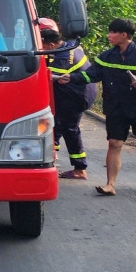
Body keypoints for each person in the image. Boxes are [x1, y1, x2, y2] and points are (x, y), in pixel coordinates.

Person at [64, 18, 136, 196]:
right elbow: (91, 76)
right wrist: (71, 77)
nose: (109, 35)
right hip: (115, 108)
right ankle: (110, 184)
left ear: (123, 35)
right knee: (114, 143)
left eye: (112, 32)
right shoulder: (106, 57)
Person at [40, 17, 95, 180]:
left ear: (50, 45)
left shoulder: (62, 58)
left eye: (42, 47)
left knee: (70, 129)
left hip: (77, 96)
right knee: (56, 123)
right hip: (81, 91)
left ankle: (80, 168)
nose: (41, 50)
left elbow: (42, 73)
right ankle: (52, 153)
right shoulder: (71, 45)